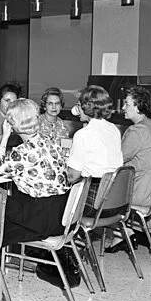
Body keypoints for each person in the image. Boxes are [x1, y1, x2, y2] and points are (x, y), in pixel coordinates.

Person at [0, 98, 70, 293]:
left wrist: (4, 138)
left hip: (41, 220)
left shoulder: (23, 152)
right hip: (61, 215)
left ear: (12, 124)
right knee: (3, 210)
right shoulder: (52, 142)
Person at [106, 86, 151, 252]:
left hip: (142, 194)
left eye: (127, 104)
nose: (123, 107)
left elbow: (116, 160)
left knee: (100, 192)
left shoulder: (137, 130)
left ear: (139, 106)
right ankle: (141, 233)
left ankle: (122, 235)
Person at [66, 85, 123, 216]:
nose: (77, 109)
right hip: (116, 201)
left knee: (58, 200)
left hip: (93, 204)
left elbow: (73, 176)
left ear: (87, 107)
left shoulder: (82, 135)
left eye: (79, 105)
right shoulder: (114, 129)